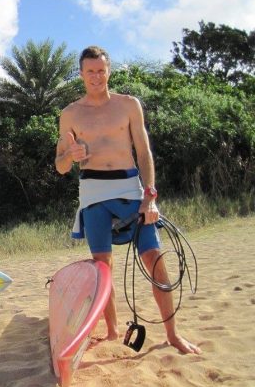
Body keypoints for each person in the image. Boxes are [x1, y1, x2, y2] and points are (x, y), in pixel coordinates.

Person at [55, 46, 201, 355]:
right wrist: (71, 153)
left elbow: (144, 152)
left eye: (101, 70)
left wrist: (150, 195)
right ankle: (111, 330)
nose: (96, 76)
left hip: (130, 187)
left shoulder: (128, 105)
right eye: (90, 71)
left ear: (109, 71)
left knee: (154, 258)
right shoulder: (70, 113)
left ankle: (173, 334)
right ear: (81, 74)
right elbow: (60, 165)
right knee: (102, 265)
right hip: (93, 191)